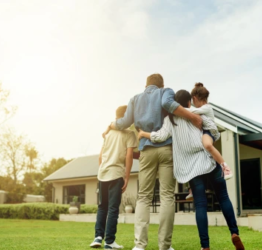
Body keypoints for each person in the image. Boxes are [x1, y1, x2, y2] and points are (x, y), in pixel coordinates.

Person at [103, 74, 202, 250]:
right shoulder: (166, 91)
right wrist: (193, 117)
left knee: (144, 197)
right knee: (167, 197)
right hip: (166, 150)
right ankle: (165, 246)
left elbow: (125, 122)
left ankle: (140, 245)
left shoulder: (135, 99)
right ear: (161, 84)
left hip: (146, 150)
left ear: (146, 85)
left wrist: (112, 124)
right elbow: (168, 104)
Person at [138, 89, 245, 250]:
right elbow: (212, 129)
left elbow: (159, 136)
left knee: (200, 205)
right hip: (208, 161)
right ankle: (234, 232)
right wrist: (211, 137)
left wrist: (143, 134)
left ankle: (205, 246)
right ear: (189, 102)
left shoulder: (170, 119)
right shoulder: (196, 113)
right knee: (223, 197)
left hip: (192, 169)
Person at [90, 105, 138, 249]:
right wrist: (127, 177)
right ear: (126, 117)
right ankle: (109, 241)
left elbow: (100, 156)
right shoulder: (129, 134)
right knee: (112, 209)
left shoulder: (108, 133)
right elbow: (129, 156)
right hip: (116, 174)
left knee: (102, 207)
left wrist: (101, 171)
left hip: (103, 174)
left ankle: (98, 238)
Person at [185, 83, 233, 201]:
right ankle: (191, 189)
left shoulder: (207, 107)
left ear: (195, 98)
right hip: (203, 133)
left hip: (209, 132)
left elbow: (192, 112)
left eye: (192, 101)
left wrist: (178, 108)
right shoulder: (203, 108)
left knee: (207, 145)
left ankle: (225, 167)